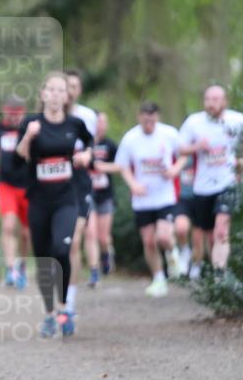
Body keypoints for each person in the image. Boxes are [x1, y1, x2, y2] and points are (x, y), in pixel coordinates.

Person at [16, 72, 93, 337]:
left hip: (66, 198)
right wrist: (28, 137)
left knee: (62, 248)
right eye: (52, 90)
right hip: (38, 199)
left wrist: (86, 154)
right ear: (43, 94)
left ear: (67, 96)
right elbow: (17, 159)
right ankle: (49, 313)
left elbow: (89, 142)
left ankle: (64, 308)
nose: (57, 95)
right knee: (44, 259)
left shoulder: (75, 123)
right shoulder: (31, 123)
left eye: (62, 90)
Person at [177, 85, 243, 278]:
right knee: (210, 235)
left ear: (225, 101)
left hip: (227, 182)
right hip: (202, 187)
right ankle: (216, 270)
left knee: (221, 230)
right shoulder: (194, 122)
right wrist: (196, 147)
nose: (211, 103)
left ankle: (220, 274)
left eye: (215, 99)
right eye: (208, 99)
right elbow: (180, 148)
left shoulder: (237, 120)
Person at [115, 101, 185, 298]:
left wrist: (174, 170)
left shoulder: (169, 133)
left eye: (152, 121)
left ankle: (173, 254)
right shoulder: (130, 138)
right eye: (146, 121)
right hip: (143, 199)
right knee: (149, 242)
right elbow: (123, 166)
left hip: (165, 196)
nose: (149, 125)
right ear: (139, 117)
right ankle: (158, 278)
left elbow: (183, 155)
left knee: (163, 237)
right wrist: (133, 184)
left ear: (158, 118)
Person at [64, 69, 98, 311]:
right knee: (55, 245)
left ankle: (69, 301)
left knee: (73, 242)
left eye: (74, 86)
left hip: (79, 183)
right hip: (52, 188)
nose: (69, 91)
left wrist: (86, 155)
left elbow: (91, 146)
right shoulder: (44, 118)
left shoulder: (86, 116)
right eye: (66, 86)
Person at [0, 96, 31, 290]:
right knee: (8, 225)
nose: (13, 118)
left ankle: (21, 265)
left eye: (17, 114)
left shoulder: (30, 129)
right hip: (6, 185)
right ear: (4, 111)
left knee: (26, 233)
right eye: (10, 113)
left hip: (28, 186)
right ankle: (10, 268)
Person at [90, 111, 120, 278]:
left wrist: (103, 167)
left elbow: (120, 166)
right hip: (88, 195)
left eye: (103, 122)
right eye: (98, 122)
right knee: (92, 233)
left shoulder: (110, 145)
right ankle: (94, 269)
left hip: (106, 195)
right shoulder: (84, 143)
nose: (101, 125)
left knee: (103, 237)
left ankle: (106, 255)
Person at [172, 157, 196, 276]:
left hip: (201, 195)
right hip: (181, 197)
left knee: (201, 236)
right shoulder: (174, 144)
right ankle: (185, 251)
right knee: (181, 229)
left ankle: (197, 266)